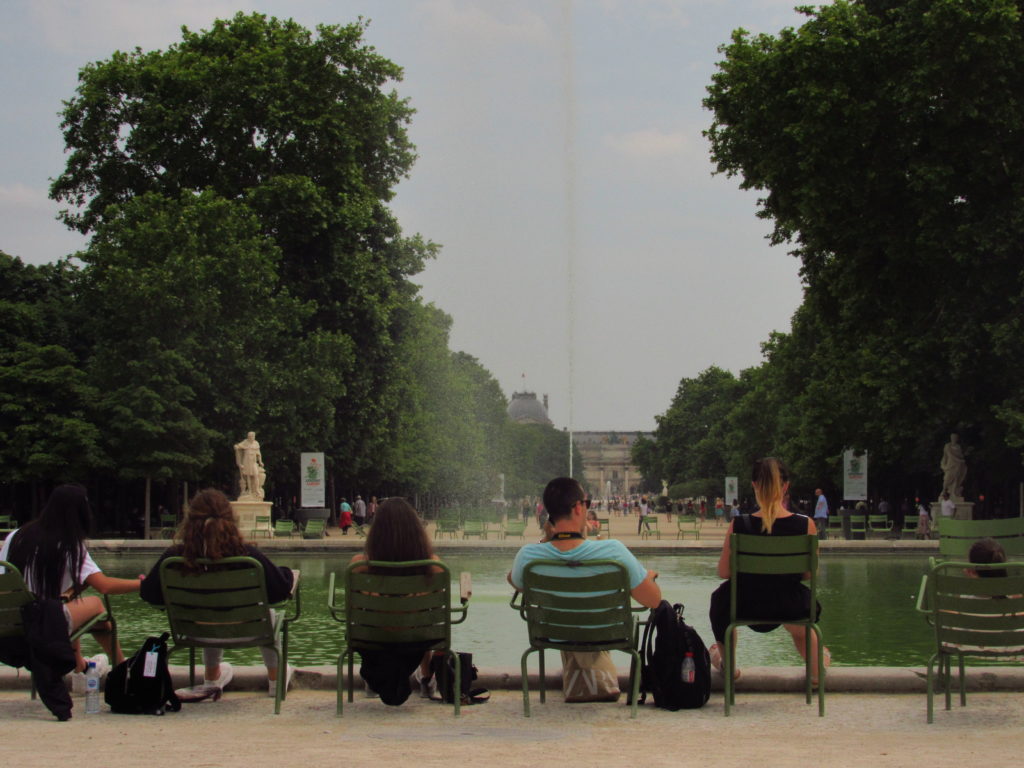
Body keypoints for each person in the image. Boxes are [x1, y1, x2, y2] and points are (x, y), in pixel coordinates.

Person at [140, 488, 296, 695]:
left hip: (194, 631)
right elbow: (280, 592)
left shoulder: (174, 558)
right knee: (269, 615)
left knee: (207, 611)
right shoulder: (248, 556)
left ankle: (212, 676)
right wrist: (287, 573)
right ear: (230, 518)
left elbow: (149, 595)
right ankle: (275, 679)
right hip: (250, 631)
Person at [708, 458, 830, 683]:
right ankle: (816, 669)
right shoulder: (806, 525)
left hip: (744, 603)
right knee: (799, 605)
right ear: (786, 486)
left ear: (754, 485)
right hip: (788, 605)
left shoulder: (739, 524)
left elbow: (724, 572)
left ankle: (728, 666)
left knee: (721, 600)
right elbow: (808, 575)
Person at [0, 484, 139, 675]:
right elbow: (105, 586)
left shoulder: (15, 536)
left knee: (70, 600)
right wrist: (142, 583)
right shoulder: (68, 544)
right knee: (95, 605)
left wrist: (74, 588)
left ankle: (79, 665)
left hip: (9, 623)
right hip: (43, 626)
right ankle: (122, 668)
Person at [349, 498, 441, 704]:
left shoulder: (359, 566)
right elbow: (433, 608)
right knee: (422, 618)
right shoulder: (433, 565)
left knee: (370, 622)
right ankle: (426, 678)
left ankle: (373, 680)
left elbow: (354, 610)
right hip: (414, 643)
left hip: (373, 642)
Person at [234, 431, 264, 500]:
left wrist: (260, 461)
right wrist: (236, 446)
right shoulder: (245, 442)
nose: (251, 438)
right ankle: (250, 490)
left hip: (253, 462)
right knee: (248, 476)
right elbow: (238, 446)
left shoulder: (256, 443)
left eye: (252, 436)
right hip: (246, 461)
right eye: (249, 436)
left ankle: (256, 490)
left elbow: (258, 453)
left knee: (256, 475)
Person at [941, 433, 968, 500]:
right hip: (950, 465)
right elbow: (947, 456)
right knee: (947, 478)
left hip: (957, 465)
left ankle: (954, 492)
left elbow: (961, 455)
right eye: (952, 437)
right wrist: (943, 465)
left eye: (955, 437)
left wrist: (961, 460)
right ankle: (944, 491)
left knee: (956, 478)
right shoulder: (947, 446)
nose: (954, 439)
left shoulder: (958, 447)